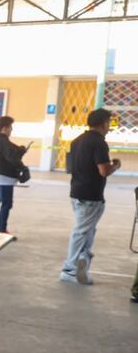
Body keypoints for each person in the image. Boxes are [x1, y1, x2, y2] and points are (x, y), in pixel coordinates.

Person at [60, 108, 121, 285]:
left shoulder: (77, 141)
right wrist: (116, 165)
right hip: (91, 195)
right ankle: (70, 269)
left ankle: (83, 260)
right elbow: (104, 171)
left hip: (77, 191)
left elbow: (71, 167)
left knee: (87, 230)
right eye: (109, 122)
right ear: (103, 123)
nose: (109, 126)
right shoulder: (99, 142)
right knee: (82, 231)